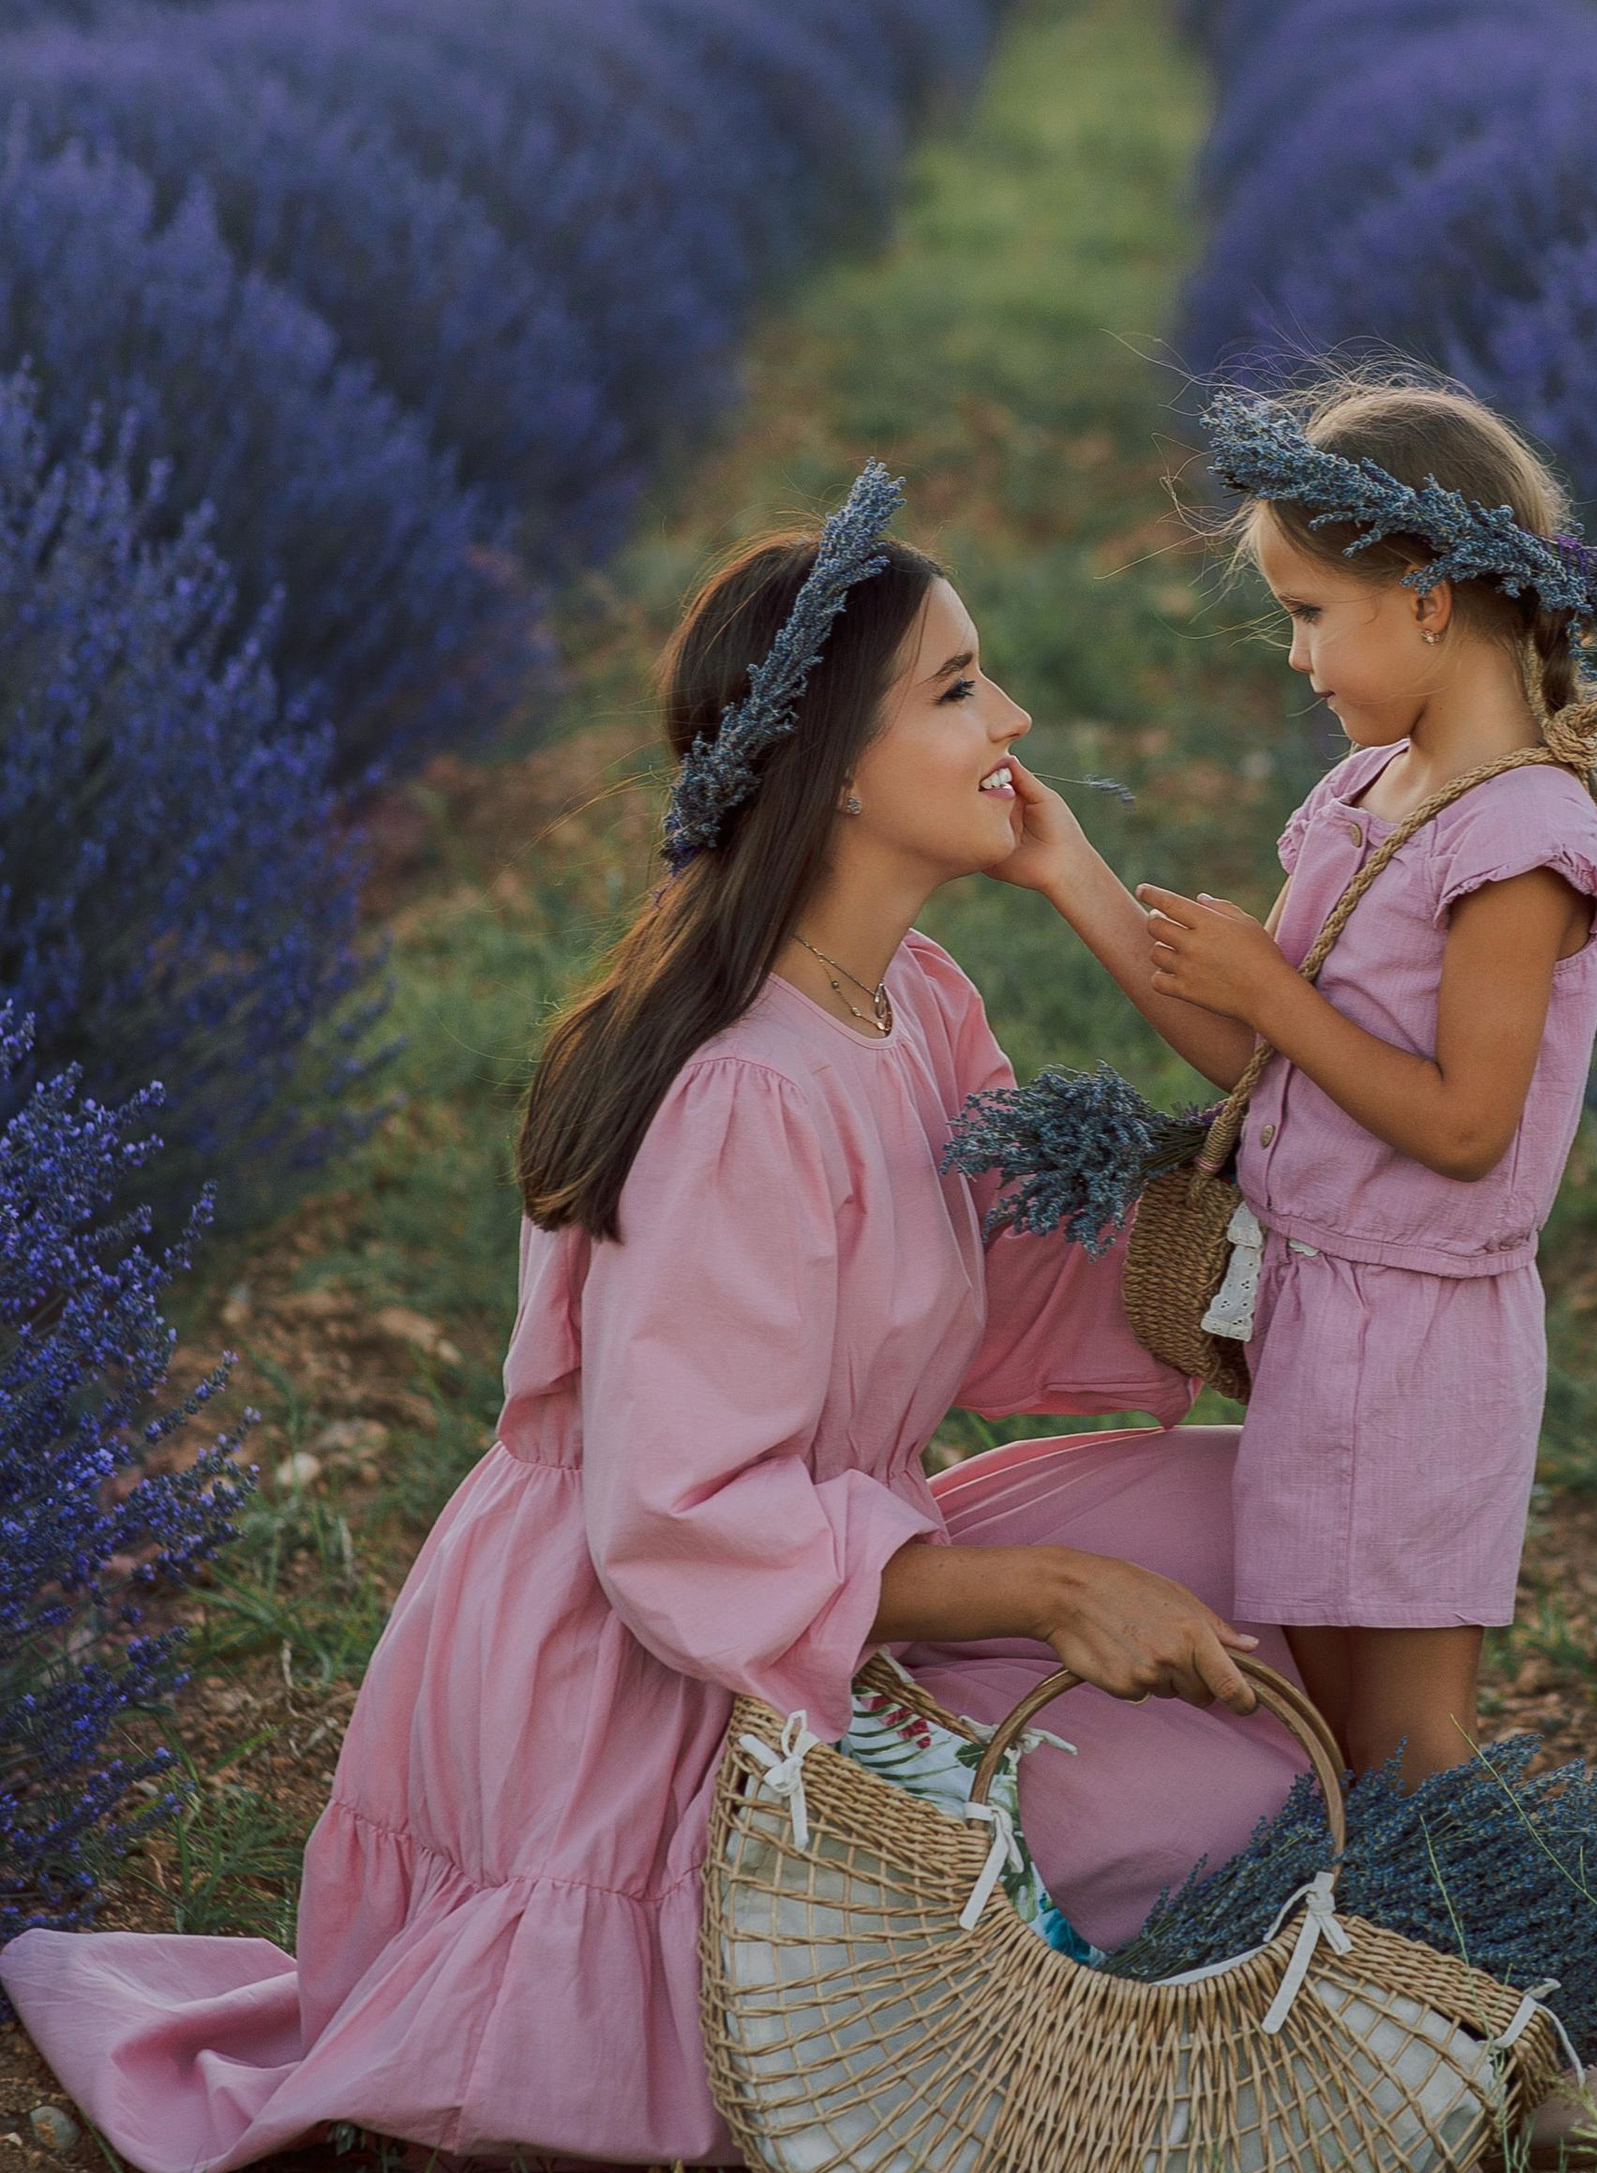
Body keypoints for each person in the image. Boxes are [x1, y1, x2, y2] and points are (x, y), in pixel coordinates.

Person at [0, 472, 1309, 2172]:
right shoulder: (741, 1094)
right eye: (961, 685)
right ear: (836, 765)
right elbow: (678, 1518)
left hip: (828, 1547)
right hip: (641, 1653)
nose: (1020, 714)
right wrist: (1061, 1593)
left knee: (1274, 1517)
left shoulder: (911, 1000)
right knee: (1218, 1796)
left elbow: (995, 1280)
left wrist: (1262, 1260)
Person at [1005, 375, 1597, 1787]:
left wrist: (1277, 993)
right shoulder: (1371, 792)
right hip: (1322, 1321)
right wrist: (1070, 871)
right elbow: (1265, 1070)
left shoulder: (1523, 839)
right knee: (1326, 1727)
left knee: (1409, 1745)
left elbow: (1466, 1127)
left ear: (1427, 598)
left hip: (1424, 1346)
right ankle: (1357, 1963)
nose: (1298, 659)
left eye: (1311, 614)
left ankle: (1459, 1984)